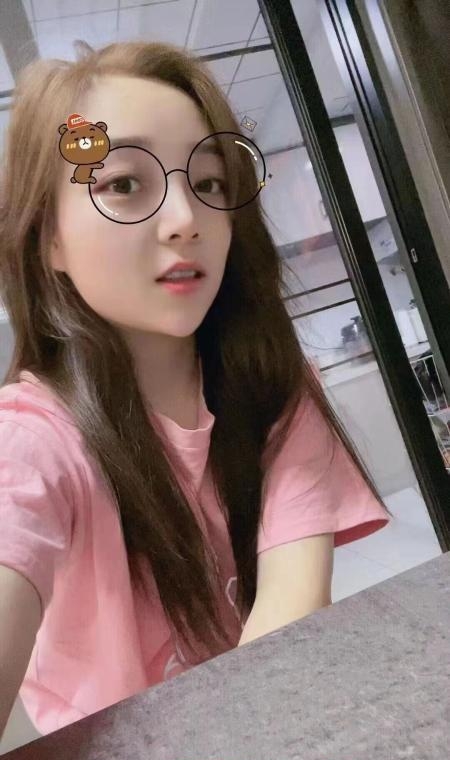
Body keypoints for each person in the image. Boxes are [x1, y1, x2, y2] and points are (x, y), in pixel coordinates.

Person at [0, 39, 391, 738]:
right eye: (124, 184)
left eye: (209, 183)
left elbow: (287, 627)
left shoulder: (269, 386)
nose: (187, 219)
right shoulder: (32, 443)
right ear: (48, 238)